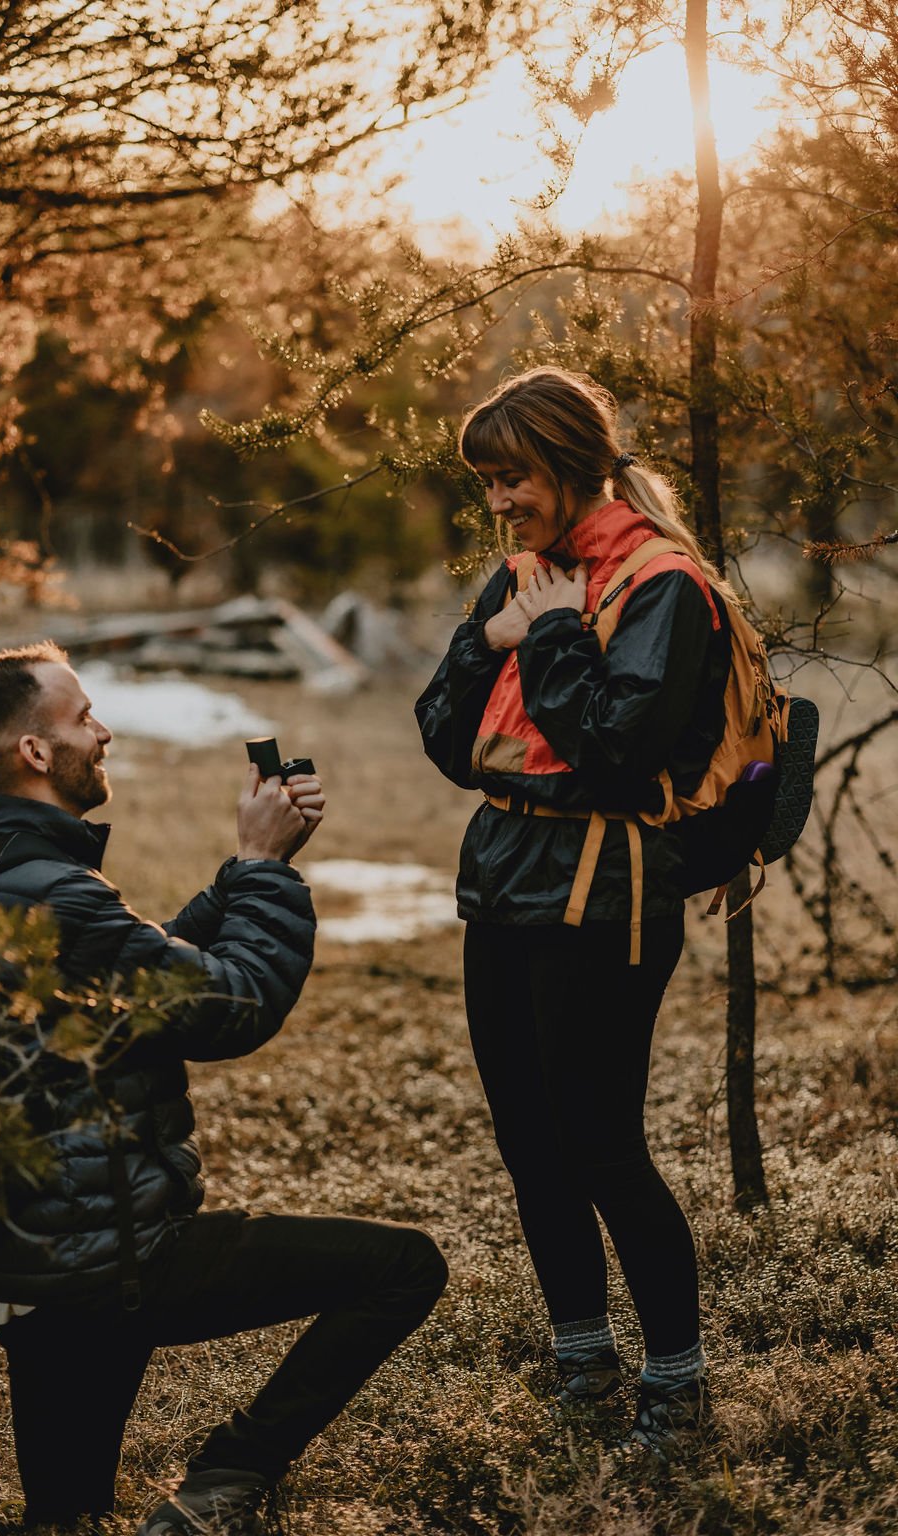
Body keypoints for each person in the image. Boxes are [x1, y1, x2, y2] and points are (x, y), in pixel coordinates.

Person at [0, 642, 448, 1535]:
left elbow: (131, 974)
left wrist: (238, 878)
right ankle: (228, 1478)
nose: (104, 732)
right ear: (35, 752)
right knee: (404, 1269)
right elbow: (230, 1006)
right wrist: (264, 867)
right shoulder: (56, 897)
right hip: (116, 1267)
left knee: (65, 1518)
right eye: (83, 718)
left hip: (29, 1275)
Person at [415, 367, 734, 1455]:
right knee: (527, 1140)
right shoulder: (524, 576)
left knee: (599, 1142)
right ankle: (582, 1360)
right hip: (502, 873)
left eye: (514, 478)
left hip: (608, 887)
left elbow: (612, 750)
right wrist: (492, 639)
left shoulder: (661, 583)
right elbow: (445, 737)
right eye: (487, 483)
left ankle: (676, 1385)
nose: (499, 502)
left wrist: (550, 638)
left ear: (570, 463)